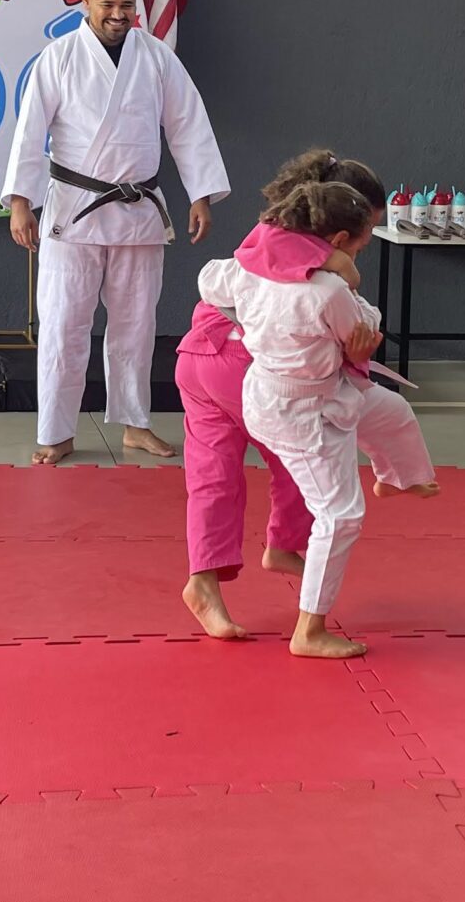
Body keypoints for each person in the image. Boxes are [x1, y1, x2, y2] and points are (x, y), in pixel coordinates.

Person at [178, 152, 434, 641]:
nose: (365, 243)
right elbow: (340, 325)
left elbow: (217, 278)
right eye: (366, 229)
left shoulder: (273, 230)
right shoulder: (313, 268)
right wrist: (341, 276)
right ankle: (285, 548)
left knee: (213, 475)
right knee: (306, 451)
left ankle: (204, 582)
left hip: (198, 353)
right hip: (239, 361)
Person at [3, 0, 229, 466]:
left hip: (137, 210)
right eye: (107, 4)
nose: (118, 14)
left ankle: (135, 424)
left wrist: (201, 193)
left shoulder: (156, 57)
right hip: (74, 210)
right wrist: (20, 202)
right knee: (63, 325)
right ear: (85, 1)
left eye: (127, 5)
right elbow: (29, 130)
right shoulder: (59, 57)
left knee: (136, 325)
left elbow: (187, 123)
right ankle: (56, 431)